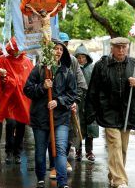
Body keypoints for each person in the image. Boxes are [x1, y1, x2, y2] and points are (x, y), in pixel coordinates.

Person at [86, 37, 135, 188]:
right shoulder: (102, 65)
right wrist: (90, 113)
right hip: (108, 112)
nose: (121, 50)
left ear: (128, 48)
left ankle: (113, 175)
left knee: (122, 148)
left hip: (128, 112)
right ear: (112, 48)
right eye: (118, 47)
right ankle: (120, 180)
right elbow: (93, 90)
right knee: (115, 145)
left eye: (124, 47)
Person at [24, 40, 77, 188]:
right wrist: (42, 86)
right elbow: (27, 89)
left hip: (60, 118)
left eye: (61, 49)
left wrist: (58, 101)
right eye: (55, 49)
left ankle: (62, 182)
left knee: (60, 149)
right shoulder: (39, 70)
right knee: (40, 150)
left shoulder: (67, 72)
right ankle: (40, 178)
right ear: (48, 52)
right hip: (40, 118)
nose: (58, 51)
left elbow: (72, 94)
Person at [48, 33, 87, 179]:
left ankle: (62, 161)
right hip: (51, 106)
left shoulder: (73, 61)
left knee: (68, 136)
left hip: (68, 106)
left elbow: (81, 85)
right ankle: (53, 166)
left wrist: (75, 101)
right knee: (51, 137)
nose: (60, 50)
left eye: (64, 45)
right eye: (57, 46)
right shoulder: (46, 60)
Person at [0, 37, 33, 164]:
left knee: (21, 125)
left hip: (23, 100)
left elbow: (30, 79)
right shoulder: (2, 60)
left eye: (18, 49)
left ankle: (18, 152)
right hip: (10, 100)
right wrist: (2, 77)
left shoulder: (26, 61)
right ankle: (9, 151)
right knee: (11, 123)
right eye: (14, 49)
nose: (16, 52)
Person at [74, 43, 98, 161]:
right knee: (77, 127)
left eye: (83, 57)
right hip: (78, 102)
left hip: (90, 102)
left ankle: (89, 151)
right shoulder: (73, 68)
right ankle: (78, 151)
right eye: (78, 57)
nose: (81, 59)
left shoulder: (92, 68)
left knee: (90, 128)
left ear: (87, 57)